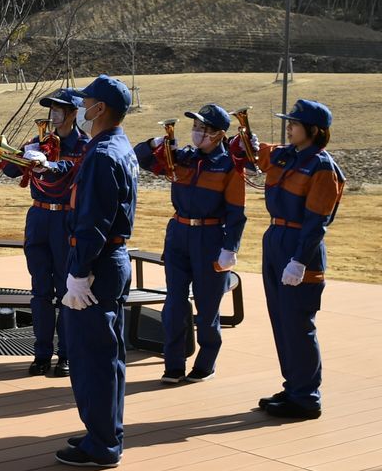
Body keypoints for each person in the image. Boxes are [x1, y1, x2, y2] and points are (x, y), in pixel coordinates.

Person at [235, 99, 344, 420]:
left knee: (299, 323)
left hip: (300, 244)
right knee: (281, 321)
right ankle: (294, 385)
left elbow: (316, 222)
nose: (288, 126)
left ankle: (307, 397)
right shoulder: (288, 155)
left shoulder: (322, 167)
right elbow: (258, 153)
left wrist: (300, 260)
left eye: (294, 124)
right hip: (275, 240)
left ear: (313, 130)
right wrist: (249, 141)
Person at [57, 75, 137, 469]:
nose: (82, 108)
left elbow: (93, 220)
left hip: (98, 263)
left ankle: (103, 444)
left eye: (86, 102)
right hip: (110, 261)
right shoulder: (114, 146)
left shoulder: (103, 154)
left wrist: (79, 272)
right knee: (107, 355)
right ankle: (103, 432)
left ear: (100, 108)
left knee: (93, 358)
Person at [133, 104, 246, 384]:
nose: (197, 132)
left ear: (219, 134)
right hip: (179, 233)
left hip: (210, 237)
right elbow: (139, 158)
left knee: (207, 308)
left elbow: (236, 211)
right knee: (174, 304)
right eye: (195, 127)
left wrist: (231, 247)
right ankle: (173, 363)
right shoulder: (182, 157)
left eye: (204, 128)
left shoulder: (229, 165)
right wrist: (154, 143)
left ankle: (205, 362)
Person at [0, 88, 88, 377]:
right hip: (38, 216)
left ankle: (66, 354)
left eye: (60, 108)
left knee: (66, 291)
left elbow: (74, 170)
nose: (54, 113)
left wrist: (49, 164)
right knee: (40, 292)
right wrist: (23, 156)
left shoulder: (84, 145)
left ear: (74, 113)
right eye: (52, 108)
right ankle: (41, 353)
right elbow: (8, 170)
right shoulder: (38, 142)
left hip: (65, 219)